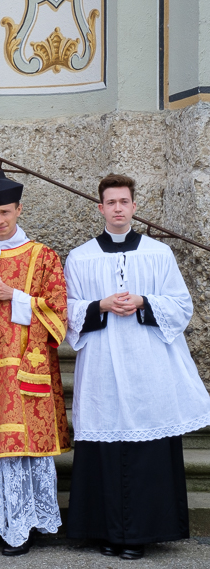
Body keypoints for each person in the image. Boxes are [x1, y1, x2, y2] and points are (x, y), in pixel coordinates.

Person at [64, 174, 210, 559]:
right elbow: (68, 310)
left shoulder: (158, 254)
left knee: (148, 449)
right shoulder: (80, 257)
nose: (118, 209)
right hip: (102, 366)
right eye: (111, 202)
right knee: (104, 447)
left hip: (148, 367)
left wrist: (144, 301)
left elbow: (181, 305)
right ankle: (105, 531)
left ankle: (142, 533)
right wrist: (101, 305)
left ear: (133, 206)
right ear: (100, 208)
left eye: (124, 202)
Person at [0, 172, 69, 556]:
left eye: (5, 212)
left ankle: (22, 525)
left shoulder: (42, 256)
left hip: (23, 366)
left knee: (18, 447)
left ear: (19, 209)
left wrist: (15, 295)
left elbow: (57, 311)